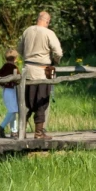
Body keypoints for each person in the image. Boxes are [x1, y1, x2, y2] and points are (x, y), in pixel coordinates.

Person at [17, 11, 62, 139]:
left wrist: (28, 56)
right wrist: (55, 61)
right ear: (47, 21)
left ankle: (22, 131)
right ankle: (38, 133)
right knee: (41, 102)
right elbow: (58, 52)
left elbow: (19, 49)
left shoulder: (27, 31)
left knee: (26, 102)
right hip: (42, 72)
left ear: (38, 19)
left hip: (27, 71)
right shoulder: (49, 33)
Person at [0, 49, 21, 138]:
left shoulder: (3, 68)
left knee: (13, 110)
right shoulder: (14, 68)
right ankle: (2, 127)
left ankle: (14, 131)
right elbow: (18, 79)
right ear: (15, 58)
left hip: (6, 90)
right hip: (11, 91)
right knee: (13, 110)